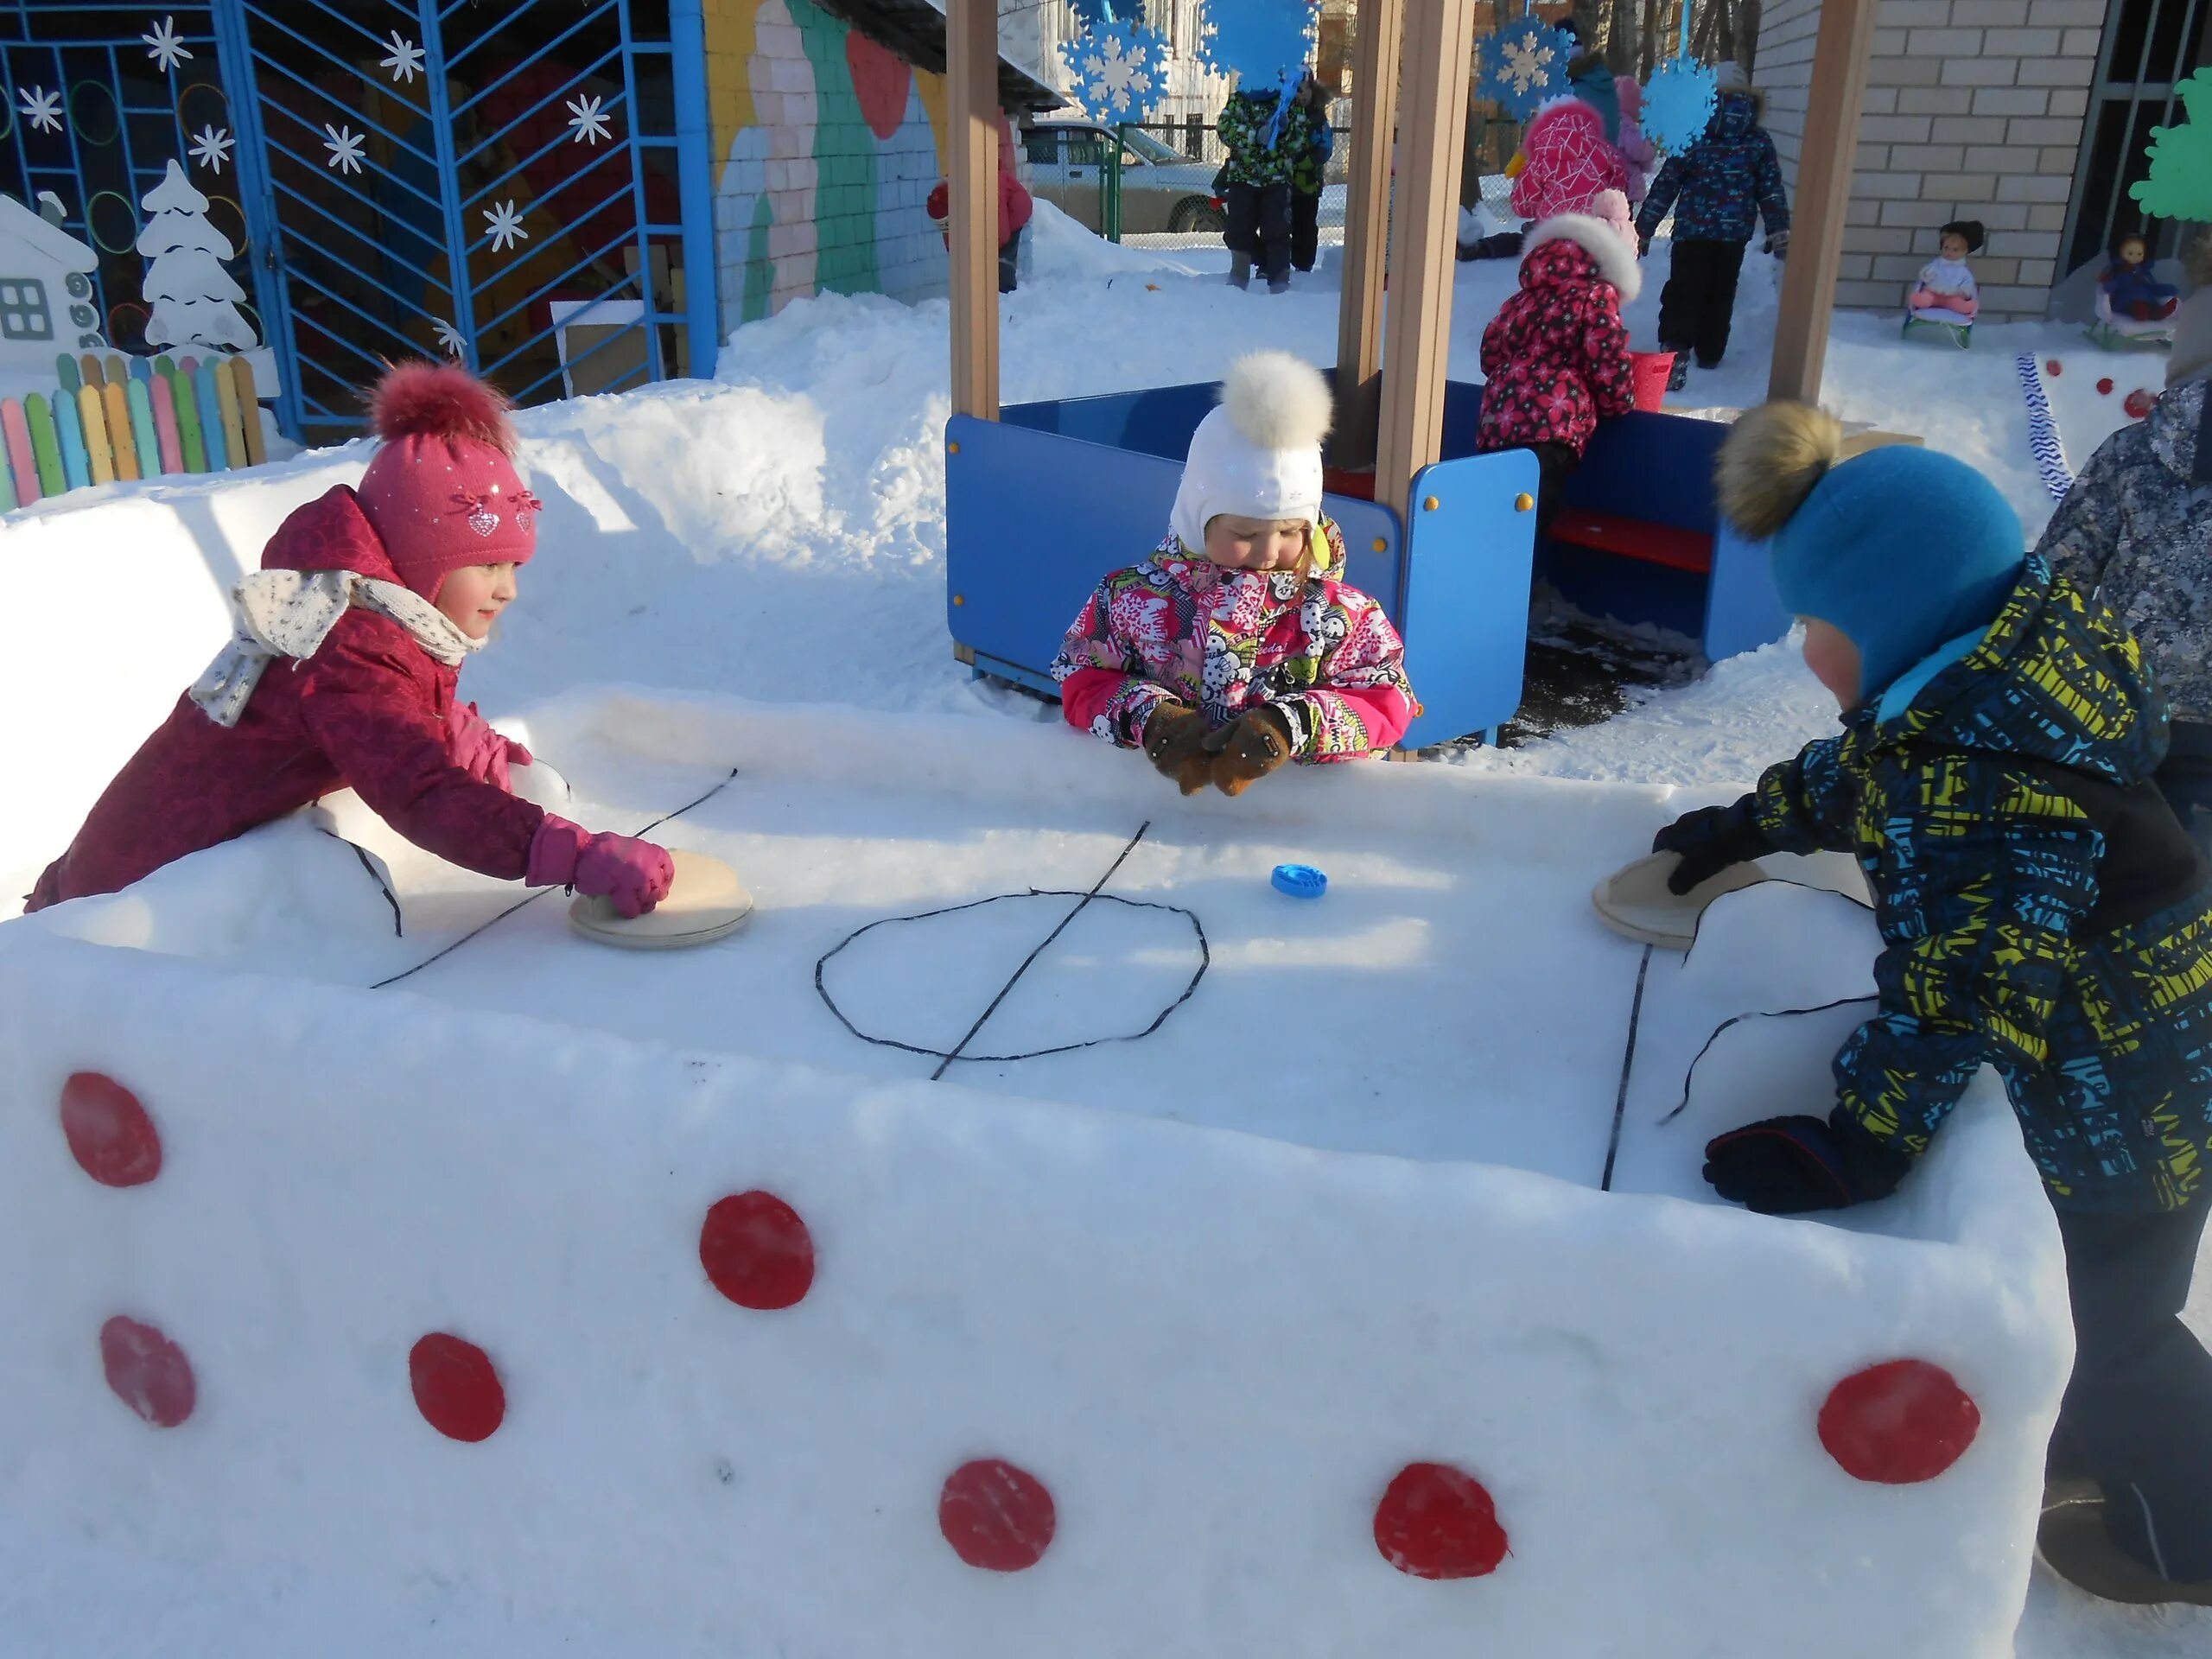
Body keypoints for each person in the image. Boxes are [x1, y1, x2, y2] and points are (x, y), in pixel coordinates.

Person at [1654, 401, 2212, 1607]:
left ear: (1894, 618)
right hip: (2136, 1033)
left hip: (2134, 1093)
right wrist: (1758, 819)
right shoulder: (2000, 670)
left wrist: (1856, 1144)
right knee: (2099, 1307)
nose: (1804, 652)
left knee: (2109, 1323)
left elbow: (1960, 995)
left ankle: (2192, 1536)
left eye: (1816, 625)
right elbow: (1877, 762)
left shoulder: (1995, 786)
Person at [23, 362, 674, 920]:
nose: (507, 591)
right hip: (130, 902)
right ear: (420, 562)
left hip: (157, 867)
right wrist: (573, 855)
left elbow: (414, 717)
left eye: (513, 567)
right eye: (487, 566)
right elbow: (418, 789)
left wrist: (485, 755)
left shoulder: (380, 618)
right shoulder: (349, 649)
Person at [1051, 352, 1416, 792]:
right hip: (1156, 810)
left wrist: (1290, 724)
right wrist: (1153, 718)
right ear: (1196, 519)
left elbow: (1387, 701)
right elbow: (1083, 678)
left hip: (1293, 817)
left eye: (1289, 531)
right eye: (1244, 531)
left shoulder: (1340, 615)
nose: (1267, 552)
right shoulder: (1131, 598)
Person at [2036, 231, 2212, 857]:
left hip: (2119, 713)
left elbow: (2053, 586)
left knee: (2111, 884)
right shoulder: (2133, 455)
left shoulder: (2134, 455)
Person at [1474, 211, 1640, 527]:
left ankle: (1496, 573)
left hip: (1498, 418)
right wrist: (1619, 403)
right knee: (1535, 512)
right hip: (1553, 420)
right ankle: (1529, 577)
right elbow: (1606, 358)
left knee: (1502, 509)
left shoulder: (1522, 299)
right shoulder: (1596, 294)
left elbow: (1490, 354)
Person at [1633, 79, 1790, 390]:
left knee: (1684, 289)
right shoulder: (1758, 140)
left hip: (1693, 230)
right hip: (1733, 233)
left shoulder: (1693, 134)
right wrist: (1778, 228)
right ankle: (1710, 351)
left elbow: (1668, 183)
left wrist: (1645, 227)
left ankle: (1675, 350)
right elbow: (1770, 189)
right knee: (1721, 291)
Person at [1217, 76, 1313, 293]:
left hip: (1276, 180)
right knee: (1239, 229)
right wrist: (1253, 136)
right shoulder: (1240, 100)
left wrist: (1285, 131)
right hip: (1243, 178)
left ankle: (1279, 278)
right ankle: (1239, 276)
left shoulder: (1287, 102)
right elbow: (1225, 128)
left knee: (1277, 229)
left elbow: (1299, 141)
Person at [925, 121, 1033, 295]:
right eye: (943, 226)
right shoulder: (946, 199)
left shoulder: (988, 194)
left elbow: (1000, 235)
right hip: (987, 210)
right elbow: (953, 243)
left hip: (1015, 211)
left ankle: (1005, 294)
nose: (947, 228)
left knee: (1001, 261)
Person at [1287, 74, 1335, 276]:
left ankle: (1303, 265)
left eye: (1305, 89)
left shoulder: (1317, 118)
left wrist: (1308, 162)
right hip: (1285, 183)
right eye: (1297, 90)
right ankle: (1277, 263)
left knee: (1305, 225)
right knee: (1279, 224)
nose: (1302, 94)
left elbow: (1325, 147)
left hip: (1308, 184)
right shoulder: (1286, 115)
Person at [1907, 218, 1982, 320]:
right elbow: (1926, 274)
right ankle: (1923, 300)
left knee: (1958, 303)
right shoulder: (1937, 264)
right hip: (1933, 292)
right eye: (1946, 248)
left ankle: (1963, 306)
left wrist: (1964, 291)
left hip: (1953, 295)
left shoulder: (1963, 271)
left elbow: (1968, 283)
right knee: (1925, 298)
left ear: (1965, 252)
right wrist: (1927, 275)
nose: (1949, 252)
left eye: (1955, 250)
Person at [2101, 231, 2179, 322]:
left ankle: (2159, 312)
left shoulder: (2144, 273)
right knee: (2133, 305)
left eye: (2139, 254)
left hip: (2146, 299)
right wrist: (2110, 284)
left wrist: (2167, 289)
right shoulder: (2119, 271)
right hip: (2124, 300)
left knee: (2150, 305)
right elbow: (2110, 288)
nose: (2135, 257)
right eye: (2130, 253)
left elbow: (2151, 287)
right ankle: (2140, 312)